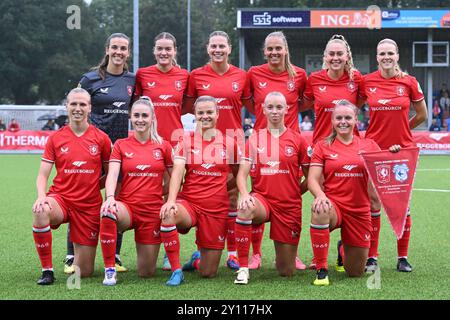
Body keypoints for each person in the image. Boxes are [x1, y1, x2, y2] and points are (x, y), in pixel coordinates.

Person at [184, 31, 251, 271]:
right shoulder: (197, 76)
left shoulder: (241, 76)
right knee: (202, 196)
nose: (218, 50)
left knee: (232, 197)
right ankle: (201, 251)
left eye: (222, 46)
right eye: (214, 46)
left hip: (232, 142)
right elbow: (187, 107)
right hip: (203, 144)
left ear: (229, 48)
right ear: (207, 48)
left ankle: (233, 252)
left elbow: (252, 106)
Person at [360, 38, 427, 273]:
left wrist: (403, 131)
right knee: (374, 203)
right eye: (382, 53)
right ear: (377, 57)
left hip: (403, 151)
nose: (386, 57)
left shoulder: (409, 82)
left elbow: (422, 114)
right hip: (374, 151)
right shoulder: (366, 81)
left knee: (402, 205)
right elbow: (351, 107)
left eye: (390, 53)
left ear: (397, 55)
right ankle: (372, 257)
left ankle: (402, 257)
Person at [31, 88, 111, 285]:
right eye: (73, 104)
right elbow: (42, 175)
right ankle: (47, 271)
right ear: (66, 106)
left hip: (89, 206)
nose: (78, 108)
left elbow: (111, 174)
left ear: (90, 108)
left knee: (84, 272)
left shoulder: (101, 138)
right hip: (61, 199)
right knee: (41, 211)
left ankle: (76, 255)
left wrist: (96, 187)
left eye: (82, 104)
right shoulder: (55, 138)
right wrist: (41, 196)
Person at [160, 96, 239, 285]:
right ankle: (176, 270)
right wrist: (171, 200)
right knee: (169, 215)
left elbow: (239, 175)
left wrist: (223, 188)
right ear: (195, 115)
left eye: (209, 112)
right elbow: (177, 172)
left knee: (208, 272)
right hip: (190, 204)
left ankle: (196, 260)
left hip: (216, 209)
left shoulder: (229, 143)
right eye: (200, 112)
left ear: (217, 114)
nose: (205, 116)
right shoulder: (185, 141)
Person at [74, 33, 135, 274]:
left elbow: (139, 111)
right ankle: (72, 255)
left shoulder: (132, 80)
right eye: (115, 47)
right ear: (107, 49)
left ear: (128, 52)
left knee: (116, 198)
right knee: (82, 199)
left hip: (119, 150)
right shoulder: (89, 79)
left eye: (123, 48)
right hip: (92, 149)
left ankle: (115, 254)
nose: (119, 52)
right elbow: (75, 107)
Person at [246, 31, 308, 270]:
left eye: (278, 49)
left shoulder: (299, 75)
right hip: (262, 144)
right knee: (257, 194)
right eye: (269, 49)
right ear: (264, 51)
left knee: (290, 196)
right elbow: (248, 101)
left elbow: (305, 102)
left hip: (289, 144)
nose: (274, 53)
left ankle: (291, 250)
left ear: (285, 50)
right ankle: (257, 253)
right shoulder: (254, 73)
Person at [233, 92, 310, 285]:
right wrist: (244, 194)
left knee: (286, 271)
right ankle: (243, 268)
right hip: (262, 200)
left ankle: (283, 257)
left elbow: (312, 178)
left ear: (287, 109)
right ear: (263, 110)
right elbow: (241, 174)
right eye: (270, 107)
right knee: (244, 208)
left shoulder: (298, 140)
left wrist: (294, 192)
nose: (274, 111)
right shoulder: (254, 139)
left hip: (289, 205)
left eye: (278, 107)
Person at [99, 97, 173, 286]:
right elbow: (112, 175)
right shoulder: (121, 145)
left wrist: (164, 195)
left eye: (145, 116)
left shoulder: (163, 146)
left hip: (152, 212)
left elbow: (176, 179)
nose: (140, 119)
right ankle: (109, 269)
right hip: (128, 208)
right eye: (137, 115)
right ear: (131, 117)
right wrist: (109, 198)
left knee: (146, 272)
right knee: (108, 211)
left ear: (152, 118)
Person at [307, 100, 383, 286]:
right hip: (334, 207)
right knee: (320, 209)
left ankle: (343, 249)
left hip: (359, 211)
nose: (343, 121)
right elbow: (312, 180)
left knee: (355, 272)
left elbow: (385, 173)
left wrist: (393, 153)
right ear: (332, 121)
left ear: (356, 119)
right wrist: (321, 196)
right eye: (339, 118)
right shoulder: (322, 146)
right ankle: (321, 269)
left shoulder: (370, 145)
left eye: (348, 117)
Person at [134, 32, 189, 271]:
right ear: (154, 50)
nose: (164, 53)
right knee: (147, 195)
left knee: (170, 197)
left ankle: (170, 252)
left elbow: (187, 106)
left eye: (168, 49)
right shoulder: (143, 74)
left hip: (175, 144)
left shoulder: (184, 76)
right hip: (149, 144)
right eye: (160, 49)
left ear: (175, 51)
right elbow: (136, 106)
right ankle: (142, 247)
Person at [303, 34, 363, 146]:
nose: (335, 58)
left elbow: (358, 105)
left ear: (347, 57)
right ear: (325, 57)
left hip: (350, 145)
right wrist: (323, 107)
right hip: (322, 144)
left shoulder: (356, 78)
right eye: (331, 54)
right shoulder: (314, 79)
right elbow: (307, 105)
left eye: (340, 54)